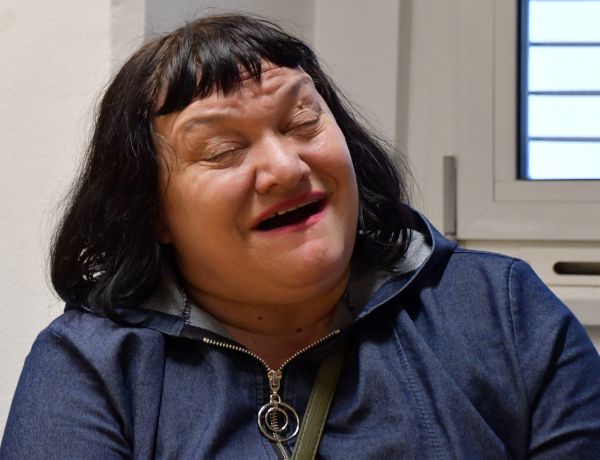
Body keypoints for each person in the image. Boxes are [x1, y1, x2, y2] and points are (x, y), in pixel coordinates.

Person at [1, 14, 599, 460]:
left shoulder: (500, 310)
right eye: (223, 150)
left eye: (302, 120)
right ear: (152, 211)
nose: (286, 168)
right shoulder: (91, 366)